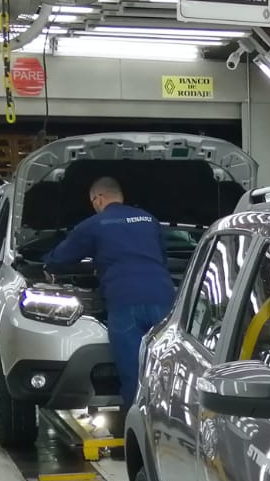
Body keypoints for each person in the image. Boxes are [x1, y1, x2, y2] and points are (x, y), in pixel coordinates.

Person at [43, 176, 175, 415]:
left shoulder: (95, 224)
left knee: (133, 373)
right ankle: (171, 420)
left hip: (125, 302)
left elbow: (60, 259)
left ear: (98, 199)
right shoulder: (149, 219)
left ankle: (136, 426)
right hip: (163, 298)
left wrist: (46, 265)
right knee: (168, 368)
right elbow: (162, 258)